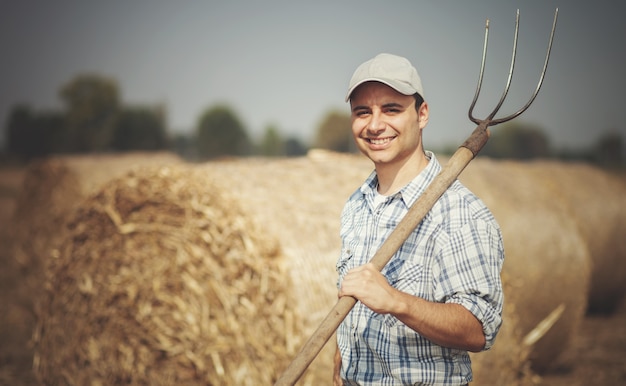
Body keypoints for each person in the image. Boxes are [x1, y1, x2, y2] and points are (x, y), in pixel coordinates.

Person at [333, 53, 505, 386]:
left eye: (392, 109)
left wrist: (396, 302)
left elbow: (479, 329)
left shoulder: (459, 212)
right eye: (362, 112)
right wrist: (343, 356)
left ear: (421, 114)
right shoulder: (356, 205)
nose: (374, 125)